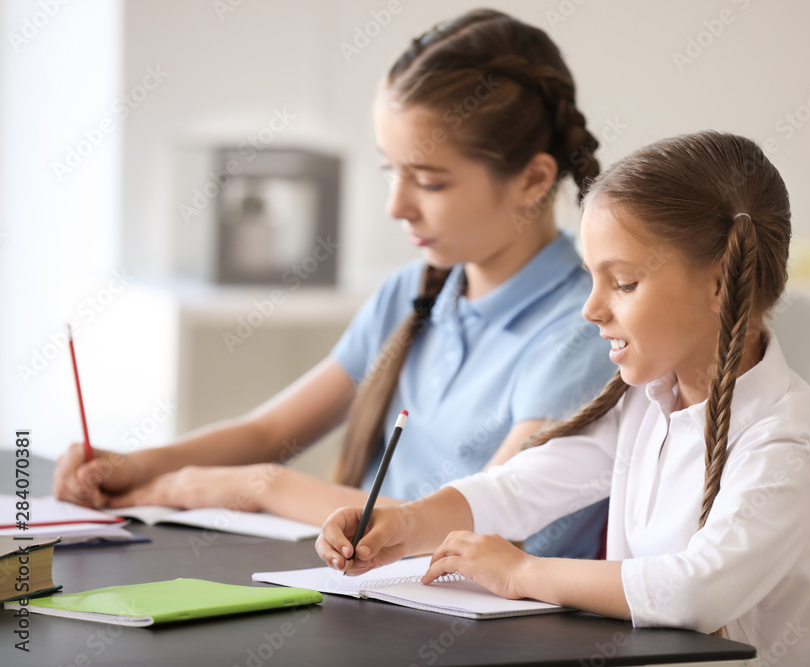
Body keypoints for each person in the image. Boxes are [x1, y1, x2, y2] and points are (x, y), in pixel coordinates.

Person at [53, 9, 617, 559]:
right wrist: (138, 465)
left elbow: (483, 526)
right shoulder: (414, 290)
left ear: (533, 180)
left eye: (429, 181)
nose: (397, 206)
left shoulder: (585, 325)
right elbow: (269, 430)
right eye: (390, 171)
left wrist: (263, 486)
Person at [317, 131, 810, 664]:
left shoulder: (783, 440)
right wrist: (407, 525)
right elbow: (524, 487)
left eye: (622, 283)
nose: (590, 308)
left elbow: (696, 593)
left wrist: (523, 572)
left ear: (719, 284)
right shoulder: (645, 403)